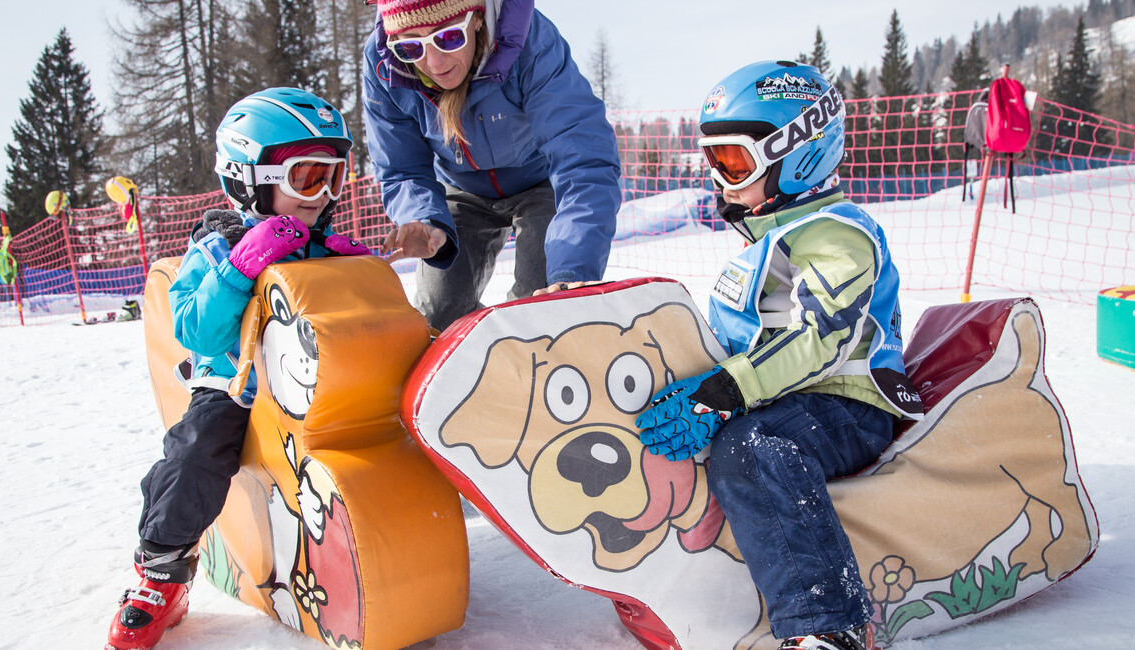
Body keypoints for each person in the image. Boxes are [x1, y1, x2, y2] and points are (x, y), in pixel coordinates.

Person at [636, 61, 923, 650]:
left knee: (753, 448)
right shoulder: (767, 240)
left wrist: (725, 392)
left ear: (799, 152)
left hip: (848, 403)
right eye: (712, 161)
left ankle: (829, 625)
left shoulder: (837, 232)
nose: (720, 179)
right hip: (786, 398)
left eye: (734, 162)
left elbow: (822, 337)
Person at [106, 87, 371, 650]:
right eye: (306, 178)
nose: (322, 196)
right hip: (236, 387)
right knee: (197, 450)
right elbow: (195, 331)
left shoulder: (321, 244)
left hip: (318, 389)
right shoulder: (214, 250)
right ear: (247, 178)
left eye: (334, 177)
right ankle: (162, 571)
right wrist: (240, 265)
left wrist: (360, 275)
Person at [363, 0, 622, 331]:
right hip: (458, 189)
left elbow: (582, 155)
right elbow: (402, 169)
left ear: (475, 20)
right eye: (411, 46)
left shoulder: (527, 40)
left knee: (540, 310)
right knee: (437, 316)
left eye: (448, 38)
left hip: (541, 183)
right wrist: (423, 217)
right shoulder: (385, 62)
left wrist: (573, 270)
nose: (434, 62)